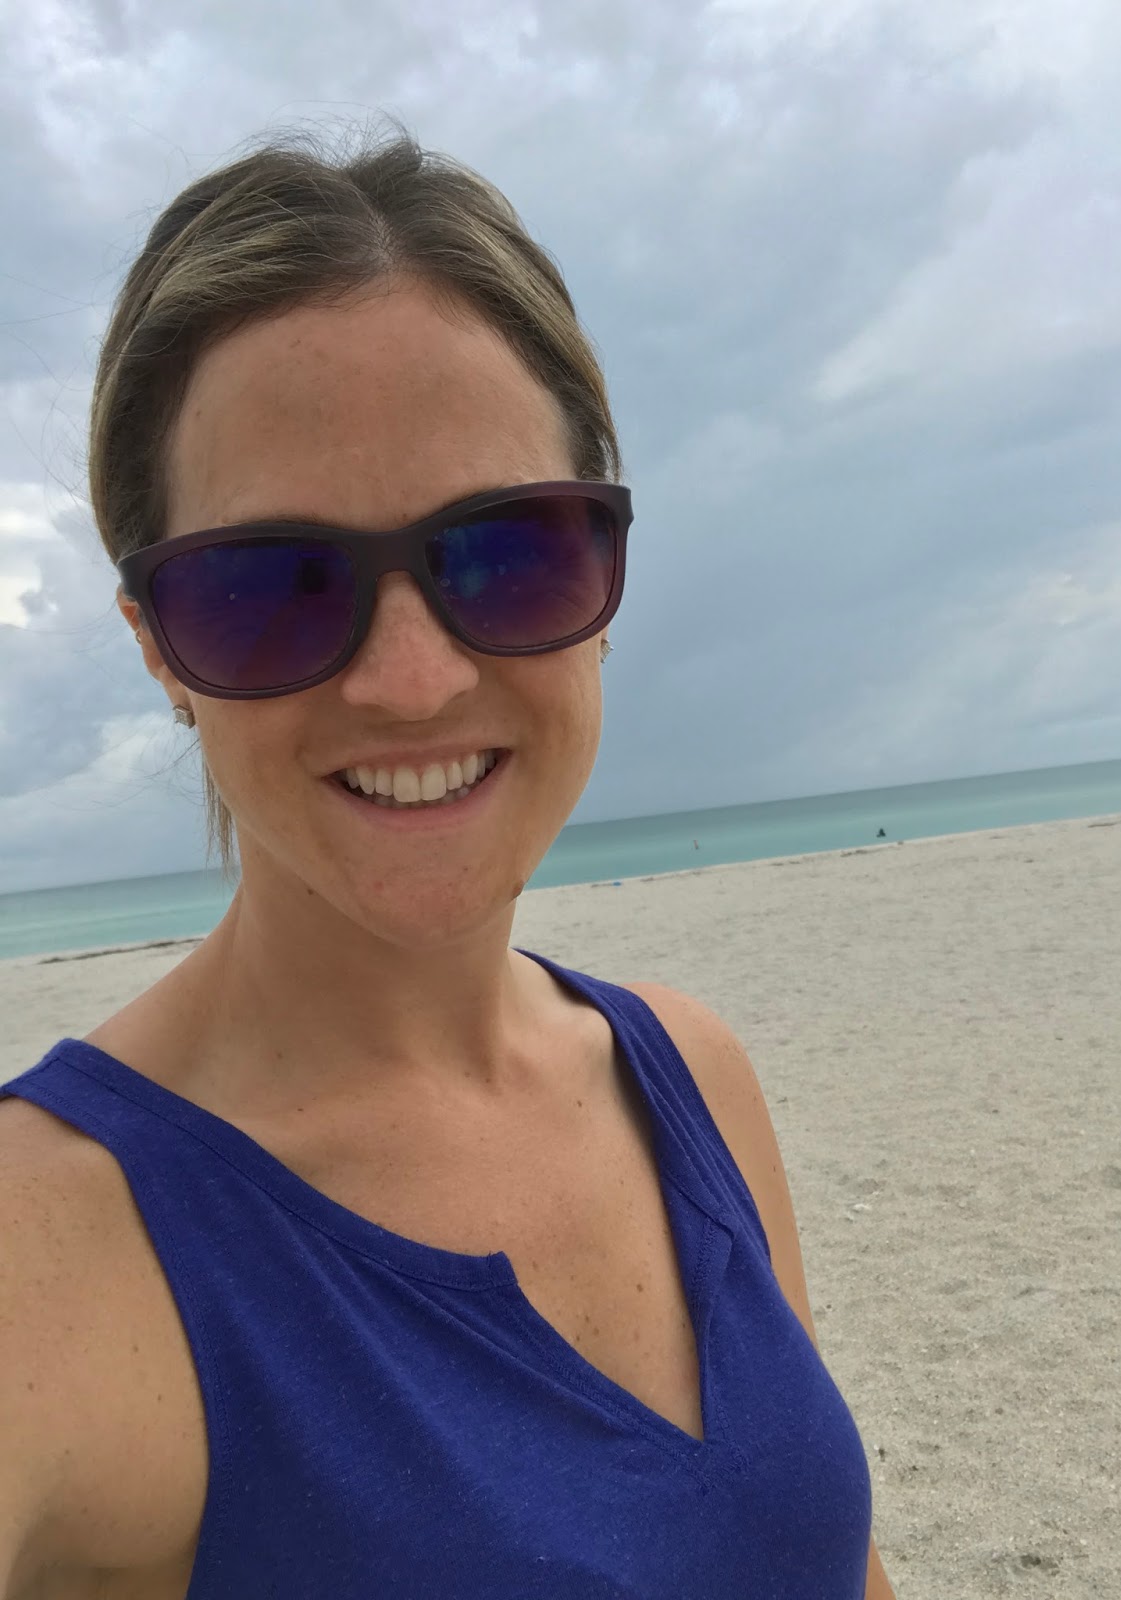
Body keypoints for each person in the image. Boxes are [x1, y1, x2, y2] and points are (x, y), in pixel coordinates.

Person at [0, 130, 894, 1600]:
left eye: (506, 552)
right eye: (273, 586)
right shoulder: (51, 1241)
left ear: (604, 575)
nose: (411, 682)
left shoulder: (688, 1071)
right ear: (159, 648)